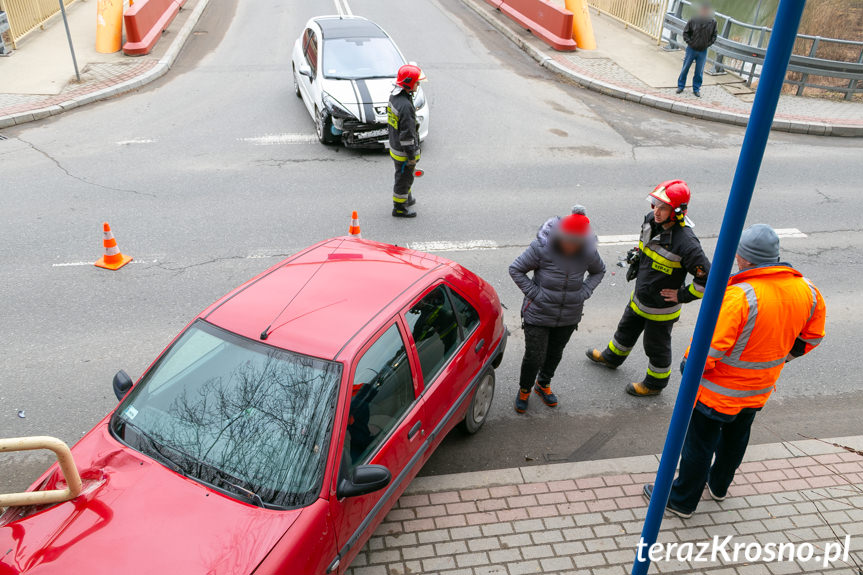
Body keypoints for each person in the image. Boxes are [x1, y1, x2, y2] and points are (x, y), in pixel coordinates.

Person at [643, 224, 827, 517]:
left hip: (716, 393)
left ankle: (681, 500)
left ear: (744, 258)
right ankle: (719, 486)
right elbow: (812, 337)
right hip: (758, 390)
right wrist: (782, 359)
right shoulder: (808, 290)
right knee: (735, 441)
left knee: (698, 446)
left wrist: (688, 366)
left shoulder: (741, 296)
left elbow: (709, 348)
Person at [586, 181, 710, 397]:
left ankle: (655, 384)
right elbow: (646, 247)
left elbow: (708, 279)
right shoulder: (650, 221)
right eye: (655, 204)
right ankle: (611, 357)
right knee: (625, 330)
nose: (656, 211)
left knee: (656, 347)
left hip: (661, 309)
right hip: (641, 295)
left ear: (677, 211)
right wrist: (637, 257)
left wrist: (681, 295)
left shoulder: (687, 244)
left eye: (663, 207)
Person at [509, 206, 606, 414]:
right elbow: (515, 269)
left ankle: (542, 384)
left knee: (554, 353)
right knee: (535, 355)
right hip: (538, 313)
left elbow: (599, 271)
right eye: (566, 240)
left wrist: (584, 293)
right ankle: (525, 389)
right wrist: (535, 294)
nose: (570, 246)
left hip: (569, 315)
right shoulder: (542, 248)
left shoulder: (588, 252)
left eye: (575, 242)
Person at [387, 64, 424, 218]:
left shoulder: (395, 97)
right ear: (409, 83)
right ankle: (399, 207)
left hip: (395, 145)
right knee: (404, 178)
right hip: (404, 152)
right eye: (417, 82)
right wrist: (411, 157)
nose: (418, 84)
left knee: (405, 175)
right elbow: (407, 135)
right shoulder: (406, 106)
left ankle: (406, 198)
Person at [676, 3, 717, 98]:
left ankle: (696, 89)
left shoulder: (713, 22)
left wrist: (707, 44)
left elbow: (714, 36)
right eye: (703, 9)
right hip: (691, 49)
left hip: (703, 51)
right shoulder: (693, 19)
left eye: (706, 10)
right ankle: (681, 86)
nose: (704, 11)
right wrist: (691, 43)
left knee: (699, 71)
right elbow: (686, 33)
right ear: (700, 10)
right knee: (685, 68)